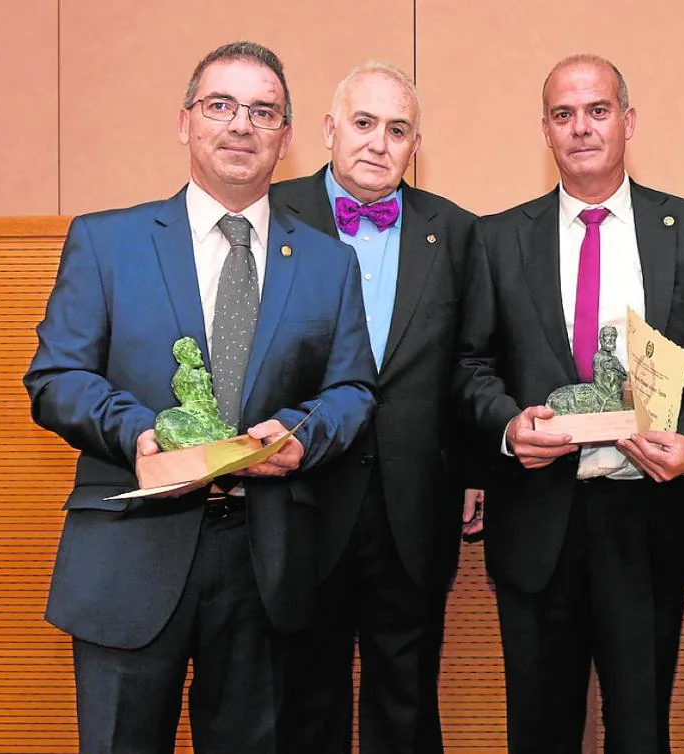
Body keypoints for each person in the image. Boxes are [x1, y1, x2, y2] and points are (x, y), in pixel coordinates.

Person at [23, 41, 378, 753]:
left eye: (263, 111)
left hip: (264, 562)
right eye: (222, 105)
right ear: (186, 122)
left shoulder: (328, 263)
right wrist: (140, 433)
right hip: (129, 558)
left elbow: (352, 389)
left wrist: (304, 434)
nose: (241, 125)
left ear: (285, 137)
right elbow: (55, 377)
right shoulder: (106, 242)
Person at [454, 53, 684, 753]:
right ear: (547, 132)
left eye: (598, 110)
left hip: (647, 514)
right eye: (564, 114)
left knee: (641, 731)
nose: (581, 128)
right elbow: (470, 366)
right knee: (539, 731)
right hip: (536, 516)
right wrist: (505, 425)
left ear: (628, 121)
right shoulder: (496, 238)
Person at [271, 61, 482, 754]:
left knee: (407, 701)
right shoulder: (274, 216)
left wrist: (476, 470)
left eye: (397, 130)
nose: (377, 143)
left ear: (416, 144)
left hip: (414, 501)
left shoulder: (455, 231)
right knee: (304, 700)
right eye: (363, 124)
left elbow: (471, 360)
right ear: (331, 130)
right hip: (300, 496)